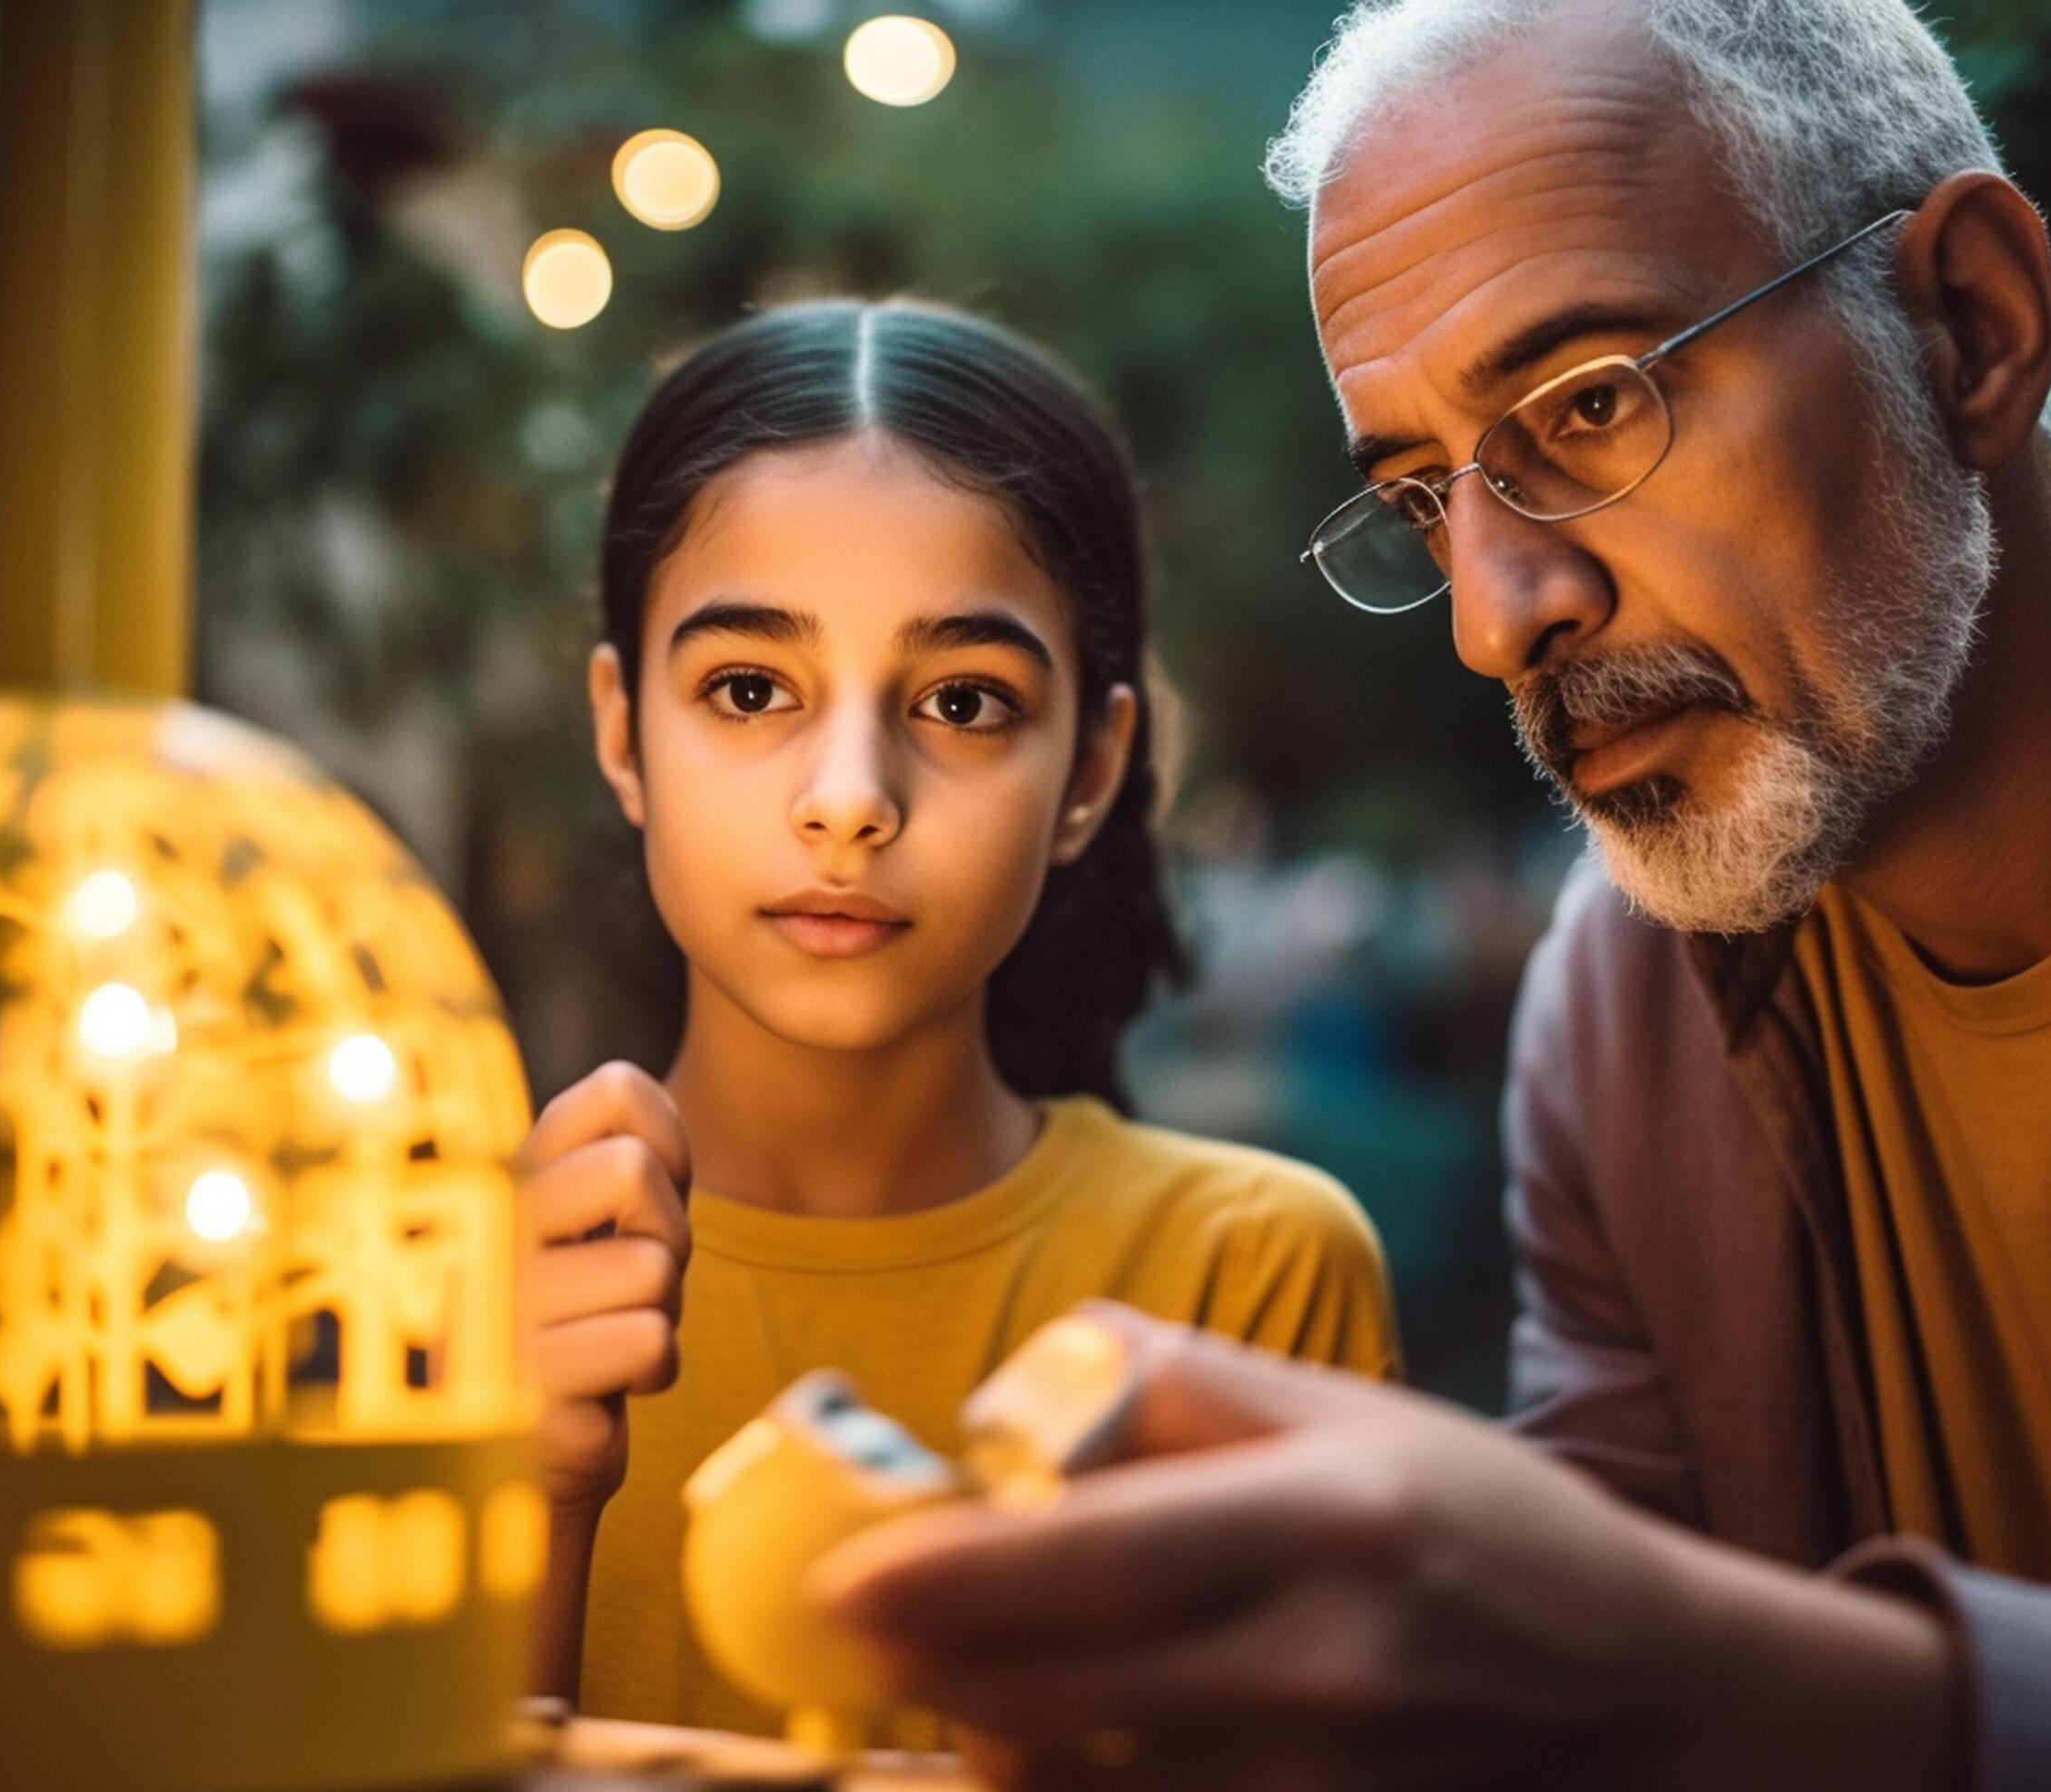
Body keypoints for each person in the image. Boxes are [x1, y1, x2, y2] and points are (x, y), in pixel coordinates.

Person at [811, 2, 2051, 1787]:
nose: (1492, 613)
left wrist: (1679, 1665)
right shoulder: (1622, 1000)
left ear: (1967, 325)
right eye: (1422, 497)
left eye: (1588, 405)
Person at [508, 299, 1400, 1744]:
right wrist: (528, 1490)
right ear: (622, 733)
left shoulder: (1241, 1279)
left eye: (964, 702)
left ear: (1093, 770)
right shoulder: (432, 1282)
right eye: (747, 688)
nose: (849, 793)